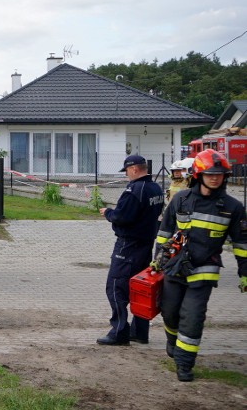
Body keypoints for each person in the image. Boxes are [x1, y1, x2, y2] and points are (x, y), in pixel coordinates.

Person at [155, 149, 247, 382]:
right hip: (174, 265)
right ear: (198, 174)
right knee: (170, 312)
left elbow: (242, 244)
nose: (215, 177)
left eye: (219, 174)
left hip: (204, 267)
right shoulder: (180, 198)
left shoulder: (233, 208)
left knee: (192, 316)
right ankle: (172, 340)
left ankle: (184, 364)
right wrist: (156, 261)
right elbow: (164, 233)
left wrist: (244, 273)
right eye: (210, 173)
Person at [97, 154, 164, 346]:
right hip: (146, 244)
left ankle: (119, 332)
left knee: (116, 287)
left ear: (134, 168)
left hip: (127, 245)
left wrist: (108, 213)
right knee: (140, 288)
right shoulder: (156, 188)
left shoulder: (134, 189)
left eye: (126, 171)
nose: (126, 175)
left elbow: (123, 217)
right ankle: (140, 331)